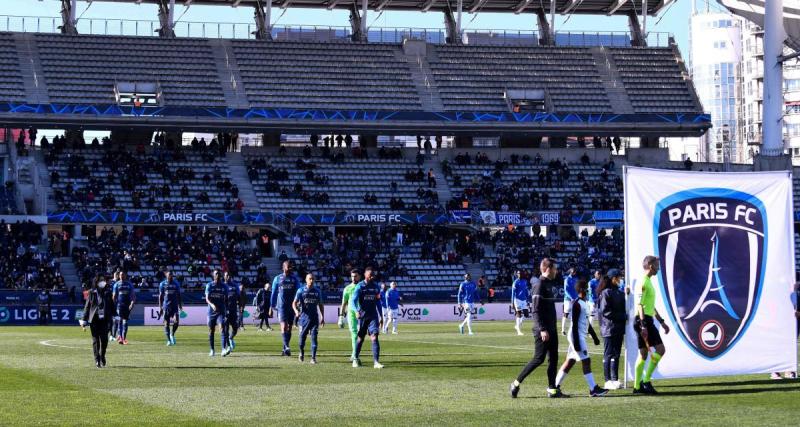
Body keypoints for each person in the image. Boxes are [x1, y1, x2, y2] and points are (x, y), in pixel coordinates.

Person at [510, 258, 564, 398]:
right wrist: (542, 329)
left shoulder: (550, 284)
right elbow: (535, 310)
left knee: (553, 359)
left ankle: (552, 389)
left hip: (552, 328)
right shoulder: (539, 285)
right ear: (548, 269)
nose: (556, 271)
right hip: (543, 329)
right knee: (538, 359)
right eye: (555, 268)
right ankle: (516, 383)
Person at [553, 280, 608, 397]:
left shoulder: (584, 303)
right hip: (576, 336)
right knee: (586, 361)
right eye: (587, 289)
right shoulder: (577, 304)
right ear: (582, 290)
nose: (589, 290)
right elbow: (574, 324)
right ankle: (593, 389)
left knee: (570, 361)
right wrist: (577, 343)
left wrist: (594, 337)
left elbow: (586, 323)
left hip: (578, 336)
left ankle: (555, 387)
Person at [633, 256, 670, 394]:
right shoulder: (643, 282)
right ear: (650, 266)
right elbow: (640, 305)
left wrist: (662, 322)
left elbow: (651, 307)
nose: (659, 268)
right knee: (661, 350)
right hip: (643, 321)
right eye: (657, 265)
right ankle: (646, 381)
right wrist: (643, 326)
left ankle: (637, 387)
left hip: (645, 320)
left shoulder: (648, 282)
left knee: (643, 355)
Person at [597, 269, 626, 390]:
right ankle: (607, 380)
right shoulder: (606, 293)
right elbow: (606, 311)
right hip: (609, 328)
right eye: (619, 277)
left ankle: (614, 378)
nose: (620, 280)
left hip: (618, 328)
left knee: (616, 354)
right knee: (608, 354)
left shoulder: (618, 292)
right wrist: (622, 316)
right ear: (613, 278)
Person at [352, 267, 384, 369]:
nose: (372, 277)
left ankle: (376, 362)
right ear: (365, 275)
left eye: (373, 275)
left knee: (374, 337)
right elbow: (353, 301)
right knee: (360, 339)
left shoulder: (376, 287)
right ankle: (355, 359)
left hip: (373, 316)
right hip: (363, 316)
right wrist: (356, 310)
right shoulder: (360, 286)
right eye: (370, 275)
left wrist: (381, 316)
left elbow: (378, 302)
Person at [79, 275, 114, 368]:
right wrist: (83, 319)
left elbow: (111, 304)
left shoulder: (108, 292)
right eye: (101, 280)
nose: (103, 282)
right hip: (94, 319)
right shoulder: (91, 292)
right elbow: (87, 306)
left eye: (104, 280)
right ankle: (97, 359)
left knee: (105, 340)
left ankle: (102, 355)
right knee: (96, 340)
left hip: (104, 319)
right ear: (96, 282)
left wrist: (116, 315)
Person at [271, 261, 301, 356]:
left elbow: (299, 291)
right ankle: (287, 346)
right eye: (289, 266)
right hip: (281, 306)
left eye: (291, 266)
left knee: (290, 328)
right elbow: (274, 293)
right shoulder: (277, 279)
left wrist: (299, 302)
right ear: (284, 267)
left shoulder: (295, 279)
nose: (290, 268)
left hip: (291, 306)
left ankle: (285, 348)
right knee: (284, 326)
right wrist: (271, 306)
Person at [293, 273, 325, 364]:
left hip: (314, 318)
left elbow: (321, 304)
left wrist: (322, 316)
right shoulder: (300, 290)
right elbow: (294, 303)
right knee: (302, 339)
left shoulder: (317, 291)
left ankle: (313, 358)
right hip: (303, 319)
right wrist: (296, 311)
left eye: (313, 279)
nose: (311, 281)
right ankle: (301, 352)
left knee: (314, 338)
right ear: (306, 280)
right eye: (310, 279)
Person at [772, 282, 800, 379]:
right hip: (783, 319)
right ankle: (775, 371)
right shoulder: (779, 293)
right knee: (780, 343)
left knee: (791, 344)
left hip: (795, 319)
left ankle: (789, 370)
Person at [205, 270, 229, 357]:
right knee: (211, 331)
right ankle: (212, 350)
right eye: (216, 274)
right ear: (213, 276)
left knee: (222, 327)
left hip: (221, 311)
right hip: (211, 312)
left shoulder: (224, 286)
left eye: (219, 274)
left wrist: (227, 311)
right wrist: (212, 305)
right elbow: (207, 298)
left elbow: (226, 299)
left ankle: (223, 349)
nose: (218, 275)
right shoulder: (209, 285)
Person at [338, 269, 361, 361]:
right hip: (351, 313)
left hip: (362, 313)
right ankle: (354, 354)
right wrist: (341, 316)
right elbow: (344, 303)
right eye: (352, 276)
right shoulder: (347, 288)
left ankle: (355, 353)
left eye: (355, 276)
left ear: (359, 276)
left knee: (362, 334)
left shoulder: (362, 286)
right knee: (354, 333)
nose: (353, 278)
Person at [158, 271, 182, 346]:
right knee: (166, 324)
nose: (170, 276)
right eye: (169, 275)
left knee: (176, 322)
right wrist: (160, 307)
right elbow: (161, 296)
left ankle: (172, 334)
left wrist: (180, 305)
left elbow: (178, 295)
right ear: (166, 275)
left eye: (171, 275)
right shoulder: (162, 284)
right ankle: (168, 340)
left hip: (174, 306)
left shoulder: (176, 284)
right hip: (166, 306)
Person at [112, 271, 136, 345]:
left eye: (123, 275)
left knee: (125, 322)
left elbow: (133, 295)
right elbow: (114, 296)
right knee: (120, 320)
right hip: (119, 305)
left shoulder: (129, 284)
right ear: (119, 276)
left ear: (125, 275)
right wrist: (113, 305)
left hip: (127, 305)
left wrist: (132, 303)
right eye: (121, 275)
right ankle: (121, 338)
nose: (122, 276)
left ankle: (123, 338)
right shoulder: (116, 284)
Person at [224, 272, 241, 352]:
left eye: (229, 275)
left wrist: (240, 306)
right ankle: (228, 347)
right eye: (226, 275)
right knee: (226, 329)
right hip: (225, 311)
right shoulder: (222, 286)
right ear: (224, 277)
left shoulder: (235, 285)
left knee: (235, 327)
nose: (228, 276)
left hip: (233, 310)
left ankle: (231, 338)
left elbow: (239, 296)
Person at [511, 270, 529, 336]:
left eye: (521, 273)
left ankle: (517, 325)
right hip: (517, 300)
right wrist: (512, 302)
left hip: (524, 300)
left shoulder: (525, 281)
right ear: (517, 274)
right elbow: (513, 293)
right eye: (518, 273)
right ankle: (519, 331)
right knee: (519, 314)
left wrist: (528, 299)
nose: (520, 274)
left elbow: (526, 291)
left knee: (526, 314)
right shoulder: (515, 282)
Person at [562, 268, 578, 335]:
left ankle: (573, 329)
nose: (574, 273)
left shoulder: (575, 279)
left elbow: (577, 289)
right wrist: (571, 298)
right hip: (568, 299)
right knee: (566, 313)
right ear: (571, 272)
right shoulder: (567, 279)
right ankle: (563, 330)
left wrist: (577, 297)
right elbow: (566, 290)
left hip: (575, 299)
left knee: (574, 314)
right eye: (574, 272)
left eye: (575, 272)